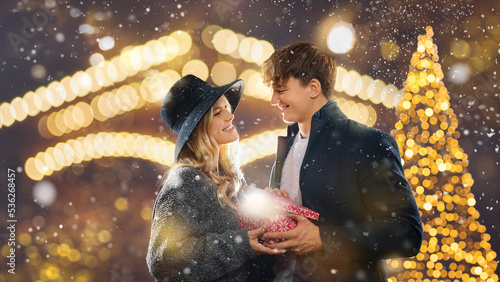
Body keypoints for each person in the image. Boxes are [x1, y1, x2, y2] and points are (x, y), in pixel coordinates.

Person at [260, 41, 423, 281]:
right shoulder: (288, 146)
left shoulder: (368, 142)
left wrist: (322, 239)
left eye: (281, 90)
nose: (274, 99)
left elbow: (406, 233)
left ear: (313, 87)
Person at [146, 74, 283, 282]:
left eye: (227, 108)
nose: (230, 116)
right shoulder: (185, 182)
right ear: (199, 129)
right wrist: (239, 244)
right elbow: (163, 260)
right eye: (218, 113)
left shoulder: (225, 175)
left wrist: (271, 211)